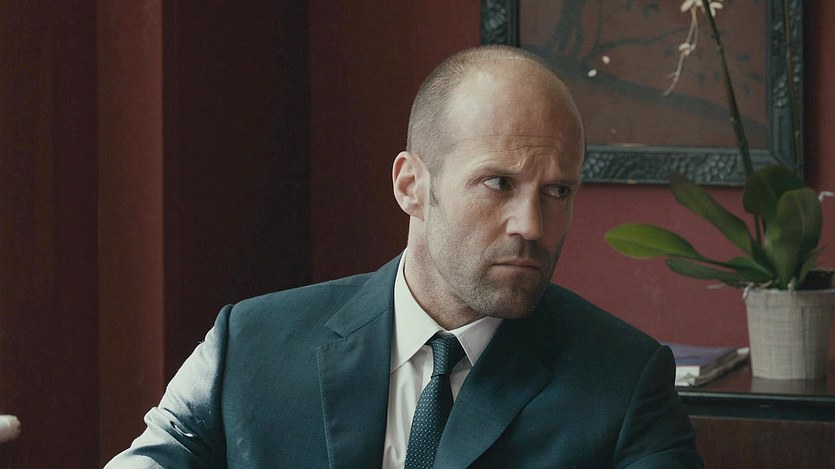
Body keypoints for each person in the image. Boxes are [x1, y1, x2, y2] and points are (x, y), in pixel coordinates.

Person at [107, 45, 702, 468]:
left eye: (557, 192)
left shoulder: (625, 382)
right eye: (498, 183)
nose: (531, 225)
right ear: (411, 185)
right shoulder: (250, 343)